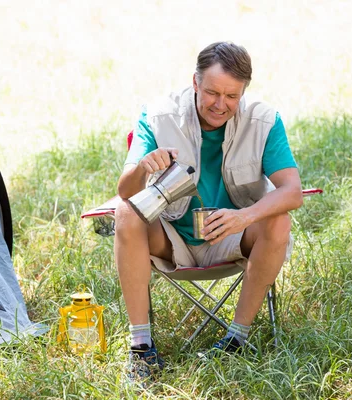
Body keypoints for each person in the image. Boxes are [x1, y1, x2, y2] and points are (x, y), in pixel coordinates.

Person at [114, 41, 303, 381]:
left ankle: (236, 338)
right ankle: (141, 346)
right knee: (126, 212)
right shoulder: (159, 115)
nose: (221, 105)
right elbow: (125, 192)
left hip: (233, 236)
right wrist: (143, 167)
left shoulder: (264, 120)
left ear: (244, 90)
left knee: (278, 218)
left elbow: (292, 191)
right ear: (195, 82)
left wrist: (244, 217)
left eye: (232, 96)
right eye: (212, 92)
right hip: (170, 237)